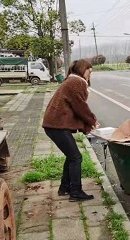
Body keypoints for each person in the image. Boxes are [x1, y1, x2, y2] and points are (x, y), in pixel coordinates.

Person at [42, 59, 98, 202]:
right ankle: (76, 192)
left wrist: (87, 125)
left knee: (71, 156)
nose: (90, 75)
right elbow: (80, 106)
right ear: (81, 70)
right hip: (56, 126)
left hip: (54, 125)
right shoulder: (76, 82)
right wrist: (92, 121)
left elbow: (75, 107)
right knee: (76, 158)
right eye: (89, 71)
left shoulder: (72, 80)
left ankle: (65, 188)